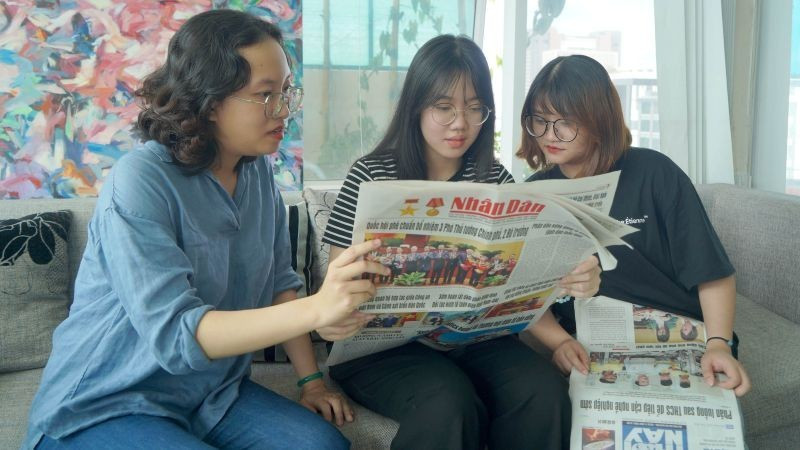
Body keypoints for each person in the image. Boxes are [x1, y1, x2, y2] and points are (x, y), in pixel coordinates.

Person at [23, 10, 390, 449]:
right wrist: (319, 309)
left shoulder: (258, 178)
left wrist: (312, 380)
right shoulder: (140, 180)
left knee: (323, 445)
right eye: (266, 95)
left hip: (209, 396)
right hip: (106, 403)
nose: (285, 110)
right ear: (210, 101)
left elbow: (280, 285)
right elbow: (178, 335)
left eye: (287, 92)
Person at [320, 35, 601, 450]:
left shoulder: (496, 180)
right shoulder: (371, 176)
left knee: (542, 394)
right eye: (444, 107)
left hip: (474, 339)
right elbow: (335, 288)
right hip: (384, 350)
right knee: (447, 403)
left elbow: (520, 286)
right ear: (417, 104)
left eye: (474, 108)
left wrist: (569, 298)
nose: (460, 123)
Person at [518, 54, 751, 397]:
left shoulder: (656, 173)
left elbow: (711, 270)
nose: (549, 134)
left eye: (565, 122)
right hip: (589, 344)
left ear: (598, 120)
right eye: (539, 120)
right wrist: (560, 342)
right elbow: (522, 294)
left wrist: (718, 343)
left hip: (677, 333)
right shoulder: (532, 195)